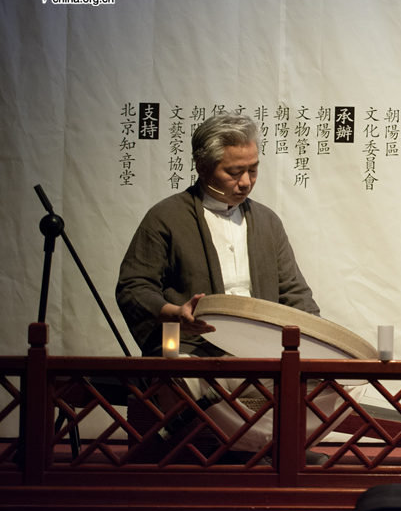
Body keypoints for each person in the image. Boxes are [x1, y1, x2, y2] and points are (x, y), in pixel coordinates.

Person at [116, 113, 319, 356]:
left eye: (253, 170)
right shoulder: (166, 217)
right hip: (193, 351)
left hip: (263, 352)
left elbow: (294, 292)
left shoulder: (267, 222)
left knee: (342, 388)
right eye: (234, 172)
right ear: (202, 167)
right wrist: (175, 313)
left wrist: (318, 340)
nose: (246, 182)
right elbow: (133, 288)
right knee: (181, 380)